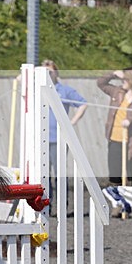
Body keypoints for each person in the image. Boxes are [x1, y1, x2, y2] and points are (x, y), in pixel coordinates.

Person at [42, 60, 86, 214]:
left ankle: (62, 206)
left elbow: (82, 104)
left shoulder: (65, 91)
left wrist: (70, 123)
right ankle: (46, 204)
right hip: (42, 139)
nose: (48, 74)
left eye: (50, 71)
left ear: (56, 73)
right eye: (45, 72)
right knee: (43, 174)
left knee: (59, 174)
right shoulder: (39, 89)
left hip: (58, 140)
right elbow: (20, 80)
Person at [97, 67, 132, 188]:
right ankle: (117, 202)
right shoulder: (117, 92)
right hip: (115, 139)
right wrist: (113, 74)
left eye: (125, 80)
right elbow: (101, 83)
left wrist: (131, 121)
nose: (122, 82)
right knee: (115, 173)